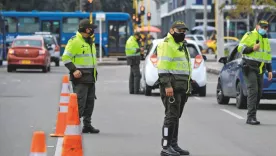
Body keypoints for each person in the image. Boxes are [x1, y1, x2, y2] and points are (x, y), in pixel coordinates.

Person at [157, 21, 191, 156]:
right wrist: (167, 85)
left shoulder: (181, 45)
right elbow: (163, 67)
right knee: (171, 117)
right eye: (179, 30)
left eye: (184, 31)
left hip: (182, 86)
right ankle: (165, 147)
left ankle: (173, 144)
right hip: (172, 87)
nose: (182, 33)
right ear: (172, 30)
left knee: (176, 117)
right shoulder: (167, 44)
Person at [62, 19, 100, 133]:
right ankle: (73, 125)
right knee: (79, 103)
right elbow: (65, 58)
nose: (93, 30)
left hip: (91, 77)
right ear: (86, 29)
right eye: (91, 28)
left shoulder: (90, 41)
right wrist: (73, 70)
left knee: (90, 103)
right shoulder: (74, 41)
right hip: (80, 78)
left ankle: (87, 125)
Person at [238, 20, 273, 125]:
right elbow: (240, 48)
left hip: (260, 70)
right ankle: (250, 117)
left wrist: (270, 70)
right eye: (263, 27)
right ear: (257, 26)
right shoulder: (250, 35)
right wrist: (253, 48)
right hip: (249, 67)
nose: (264, 29)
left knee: (258, 93)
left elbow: (266, 56)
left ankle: (253, 115)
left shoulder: (265, 39)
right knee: (253, 91)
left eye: (266, 27)